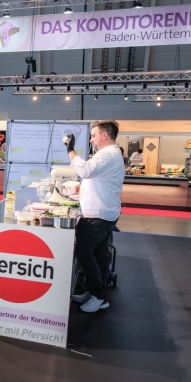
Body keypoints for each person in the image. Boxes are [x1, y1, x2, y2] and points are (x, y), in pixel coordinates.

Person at [66, 121, 125, 313]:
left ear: (104, 135)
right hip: (104, 213)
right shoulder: (111, 154)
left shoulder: (108, 154)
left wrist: (70, 151)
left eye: (93, 135)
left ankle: (98, 295)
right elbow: (98, 178)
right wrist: (83, 187)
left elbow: (86, 170)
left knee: (83, 251)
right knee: (100, 255)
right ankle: (97, 294)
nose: (91, 140)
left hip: (98, 216)